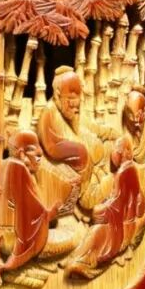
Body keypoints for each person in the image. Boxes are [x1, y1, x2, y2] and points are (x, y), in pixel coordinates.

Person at [64, 135, 145, 279]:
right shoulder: (124, 171)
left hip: (121, 223)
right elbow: (118, 198)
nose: (115, 154)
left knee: (97, 230)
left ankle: (84, 261)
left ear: (125, 152)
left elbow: (121, 202)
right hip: (119, 217)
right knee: (95, 229)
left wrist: (104, 209)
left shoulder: (125, 172)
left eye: (117, 150)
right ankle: (80, 259)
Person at [0, 133, 79, 272]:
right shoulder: (19, 170)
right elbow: (35, 216)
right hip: (14, 241)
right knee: (76, 235)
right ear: (22, 154)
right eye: (37, 157)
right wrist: (53, 212)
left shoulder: (4, 165)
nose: (39, 161)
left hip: (2, 236)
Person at [36, 68, 105, 206]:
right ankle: (88, 194)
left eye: (78, 98)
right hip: (61, 162)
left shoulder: (74, 113)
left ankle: (96, 183)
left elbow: (86, 128)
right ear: (57, 95)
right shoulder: (49, 112)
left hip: (81, 162)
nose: (76, 104)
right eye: (71, 98)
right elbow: (51, 146)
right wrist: (81, 151)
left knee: (98, 147)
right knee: (84, 152)